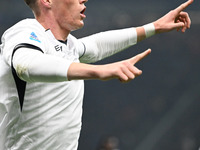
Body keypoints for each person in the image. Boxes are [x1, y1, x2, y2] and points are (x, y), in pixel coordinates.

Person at [0, 0, 193, 149]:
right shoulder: (25, 32)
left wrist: (154, 27)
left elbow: (96, 45)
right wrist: (99, 71)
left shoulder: (70, 46)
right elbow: (26, 65)